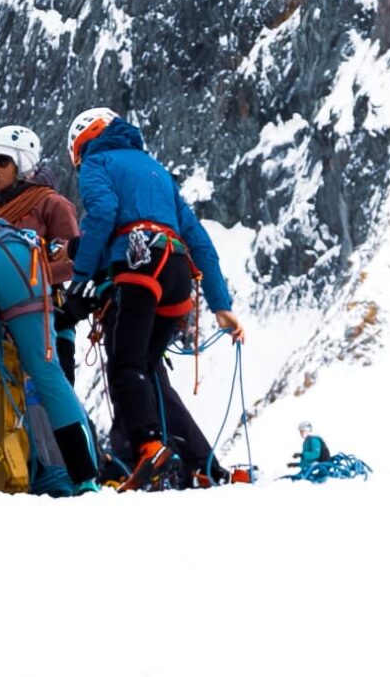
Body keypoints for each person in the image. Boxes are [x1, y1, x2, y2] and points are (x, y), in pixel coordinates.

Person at [65, 109, 246, 492]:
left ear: (83, 142)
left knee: (125, 364)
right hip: (177, 270)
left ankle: (150, 448)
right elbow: (198, 238)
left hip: (140, 258)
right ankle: (201, 464)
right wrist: (221, 305)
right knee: (146, 369)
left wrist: (81, 279)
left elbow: (102, 215)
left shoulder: (97, 162)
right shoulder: (157, 171)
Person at [0, 125, 100, 494]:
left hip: (45, 312)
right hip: (19, 317)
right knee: (29, 393)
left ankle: (62, 473)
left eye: (2, 161)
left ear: (23, 164)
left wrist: (32, 278)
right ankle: (46, 474)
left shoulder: (51, 204)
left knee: (41, 394)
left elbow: (70, 259)